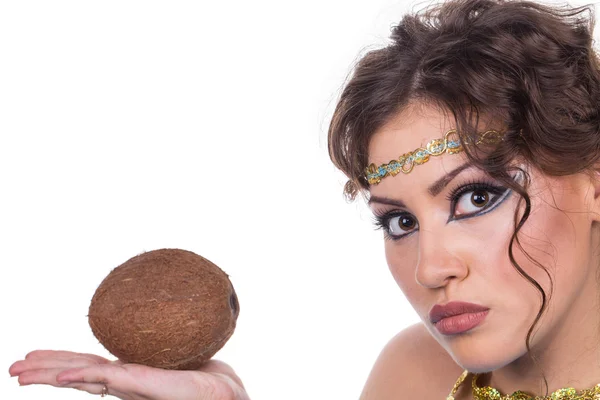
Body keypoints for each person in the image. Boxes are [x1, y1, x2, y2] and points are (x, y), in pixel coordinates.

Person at [9, 0, 600, 398]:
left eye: (476, 197)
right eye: (398, 221)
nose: (430, 266)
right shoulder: (413, 377)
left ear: (593, 179)